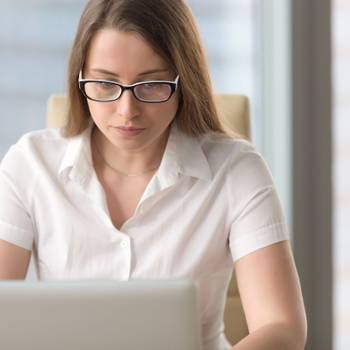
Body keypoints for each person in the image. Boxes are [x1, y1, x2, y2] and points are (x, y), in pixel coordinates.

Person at [0, 0, 307, 349]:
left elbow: (282, 327)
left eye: (151, 85)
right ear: (80, 80)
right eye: (105, 84)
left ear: (183, 80)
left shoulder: (236, 170)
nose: (126, 111)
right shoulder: (29, 165)